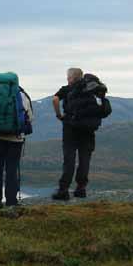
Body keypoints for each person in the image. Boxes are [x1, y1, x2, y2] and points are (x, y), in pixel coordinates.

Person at [52, 67, 107, 200]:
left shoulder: (66, 89)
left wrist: (59, 115)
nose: (67, 79)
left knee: (69, 159)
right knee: (84, 159)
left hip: (70, 128)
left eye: (68, 77)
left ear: (71, 78)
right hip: (88, 130)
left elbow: (55, 100)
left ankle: (63, 190)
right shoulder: (92, 89)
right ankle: (81, 188)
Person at [0, 79, 34, 209]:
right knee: (11, 168)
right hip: (15, 138)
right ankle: (11, 200)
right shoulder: (22, 95)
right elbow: (30, 117)